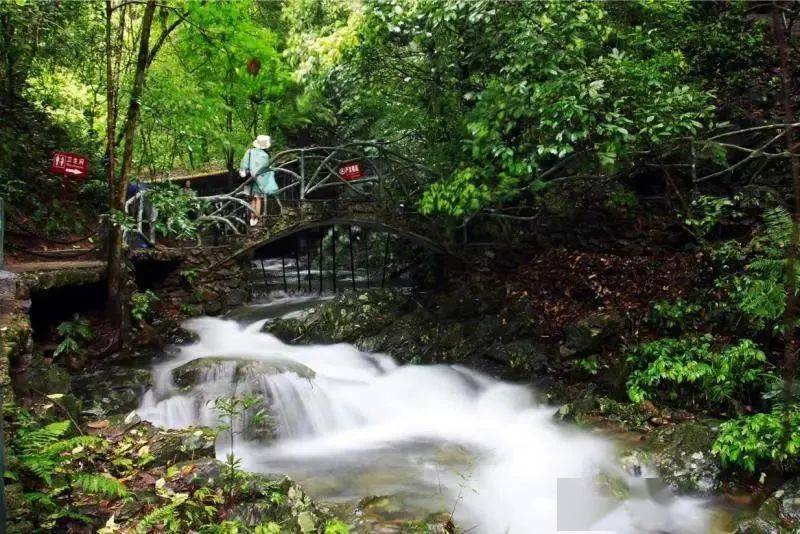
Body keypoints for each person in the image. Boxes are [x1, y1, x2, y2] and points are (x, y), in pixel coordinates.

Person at [239, 134, 279, 226]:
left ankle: (252, 219)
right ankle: (257, 218)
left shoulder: (249, 151)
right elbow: (268, 168)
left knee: (252, 199)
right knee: (258, 199)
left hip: (249, 178)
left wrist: (243, 172)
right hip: (260, 180)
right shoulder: (265, 155)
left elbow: (243, 164)